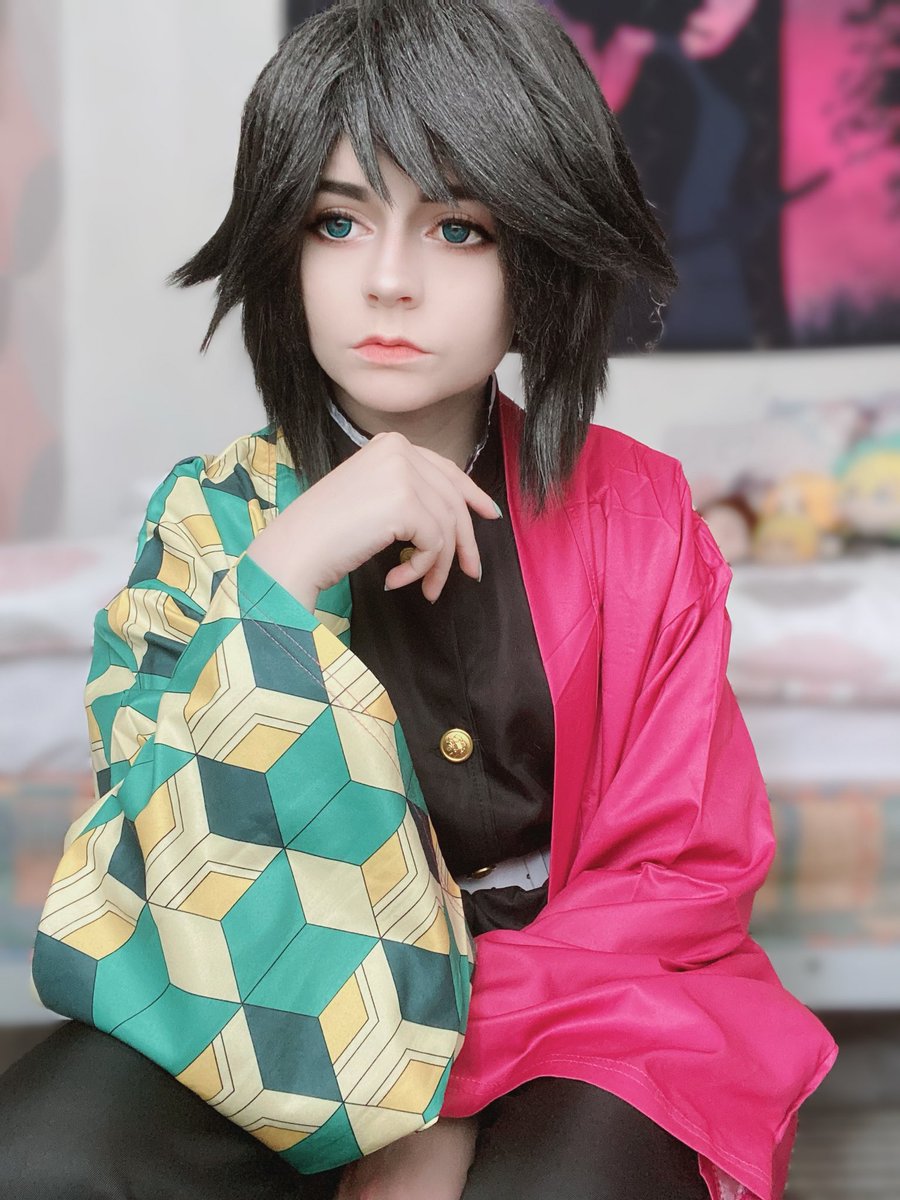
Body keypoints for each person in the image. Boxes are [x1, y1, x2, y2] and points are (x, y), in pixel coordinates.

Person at [0, 2, 837, 1198]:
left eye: (456, 228)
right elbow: (162, 846)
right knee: (41, 1156)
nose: (388, 282)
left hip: (588, 1004)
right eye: (337, 221)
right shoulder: (205, 518)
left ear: (535, 254)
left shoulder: (639, 515)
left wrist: (429, 1084)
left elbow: (681, 876)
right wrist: (283, 575)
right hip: (256, 994)